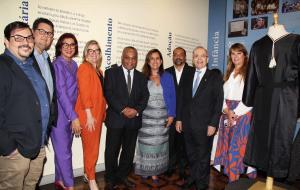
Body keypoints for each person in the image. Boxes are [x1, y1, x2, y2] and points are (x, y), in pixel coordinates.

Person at [242, 20, 300, 179]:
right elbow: (252, 75)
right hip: (266, 99)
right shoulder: (257, 45)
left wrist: (248, 99)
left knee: (280, 139)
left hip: (286, 99)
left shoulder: (296, 41)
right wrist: (249, 100)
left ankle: (276, 177)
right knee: (262, 139)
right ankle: (264, 177)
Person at [0, 21, 50, 190]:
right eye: (18, 38)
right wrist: (8, 147)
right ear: (6, 42)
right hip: (16, 150)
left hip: (38, 142)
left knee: (30, 185)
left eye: (28, 37)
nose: (25, 42)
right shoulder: (2, 66)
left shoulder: (31, 64)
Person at [176, 46, 223, 190]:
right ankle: (193, 178)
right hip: (188, 124)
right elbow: (182, 99)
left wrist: (213, 124)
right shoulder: (188, 74)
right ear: (193, 59)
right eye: (196, 56)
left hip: (205, 125)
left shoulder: (214, 76)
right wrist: (179, 119)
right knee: (191, 154)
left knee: (203, 156)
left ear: (207, 59)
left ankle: (202, 184)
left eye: (202, 56)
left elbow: (218, 101)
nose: (199, 58)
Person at [104, 46, 149, 190]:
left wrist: (136, 110)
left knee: (128, 152)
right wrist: (123, 109)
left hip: (133, 121)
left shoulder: (142, 77)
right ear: (122, 57)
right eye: (127, 57)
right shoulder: (111, 73)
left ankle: (122, 176)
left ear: (136, 60)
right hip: (116, 119)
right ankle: (111, 178)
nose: (130, 61)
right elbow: (109, 93)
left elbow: (145, 97)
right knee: (112, 151)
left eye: (133, 58)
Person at [213, 43, 256, 182]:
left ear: (245, 55)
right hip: (227, 113)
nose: (235, 56)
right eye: (233, 53)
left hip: (242, 114)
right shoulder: (229, 73)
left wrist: (234, 113)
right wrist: (226, 110)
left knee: (236, 149)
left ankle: (234, 181)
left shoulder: (250, 73)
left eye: (239, 53)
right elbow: (221, 96)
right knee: (227, 147)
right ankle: (233, 180)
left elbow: (251, 98)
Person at [135, 49, 176, 184]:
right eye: (151, 58)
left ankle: (155, 172)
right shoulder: (142, 77)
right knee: (146, 145)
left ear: (161, 61)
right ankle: (147, 171)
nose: (155, 61)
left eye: (157, 58)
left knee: (159, 145)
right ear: (148, 61)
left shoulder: (168, 76)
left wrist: (171, 115)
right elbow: (138, 98)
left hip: (163, 118)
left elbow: (172, 97)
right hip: (146, 117)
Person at [51, 33, 81, 190]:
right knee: (64, 153)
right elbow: (61, 93)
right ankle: (69, 185)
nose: (69, 48)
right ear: (60, 47)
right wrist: (73, 117)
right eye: (65, 44)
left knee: (63, 150)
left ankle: (60, 180)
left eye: (72, 44)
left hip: (71, 113)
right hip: (61, 115)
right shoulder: (57, 64)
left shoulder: (74, 64)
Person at [75, 40, 106, 190]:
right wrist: (88, 115)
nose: (93, 53)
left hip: (98, 115)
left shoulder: (99, 71)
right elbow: (84, 93)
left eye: (96, 51)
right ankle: (92, 180)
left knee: (90, 148)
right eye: (90, 51)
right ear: (85, 54)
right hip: (89, 116)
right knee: (92, 149)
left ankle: (87, 174)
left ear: (100, 54)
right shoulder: (84, 68)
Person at [165, 47, 192, 179]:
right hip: (170, 115)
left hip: (186, 115)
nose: (178, 57)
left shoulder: (193, 72)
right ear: (173, 57)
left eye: (181, 54)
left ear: (185, 57)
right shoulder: (166, 72)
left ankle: (182, 168)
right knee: (170, 143)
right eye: (175, 54)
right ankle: (170, 166)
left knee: (183, 144)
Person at [32, 17, 58, 145]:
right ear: (33, 32)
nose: (45, 36)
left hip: (44, 124)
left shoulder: (47, 59)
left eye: (49, 33)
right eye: (42, 31)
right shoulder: (25, 58)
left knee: (38, 164)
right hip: (29, 125)